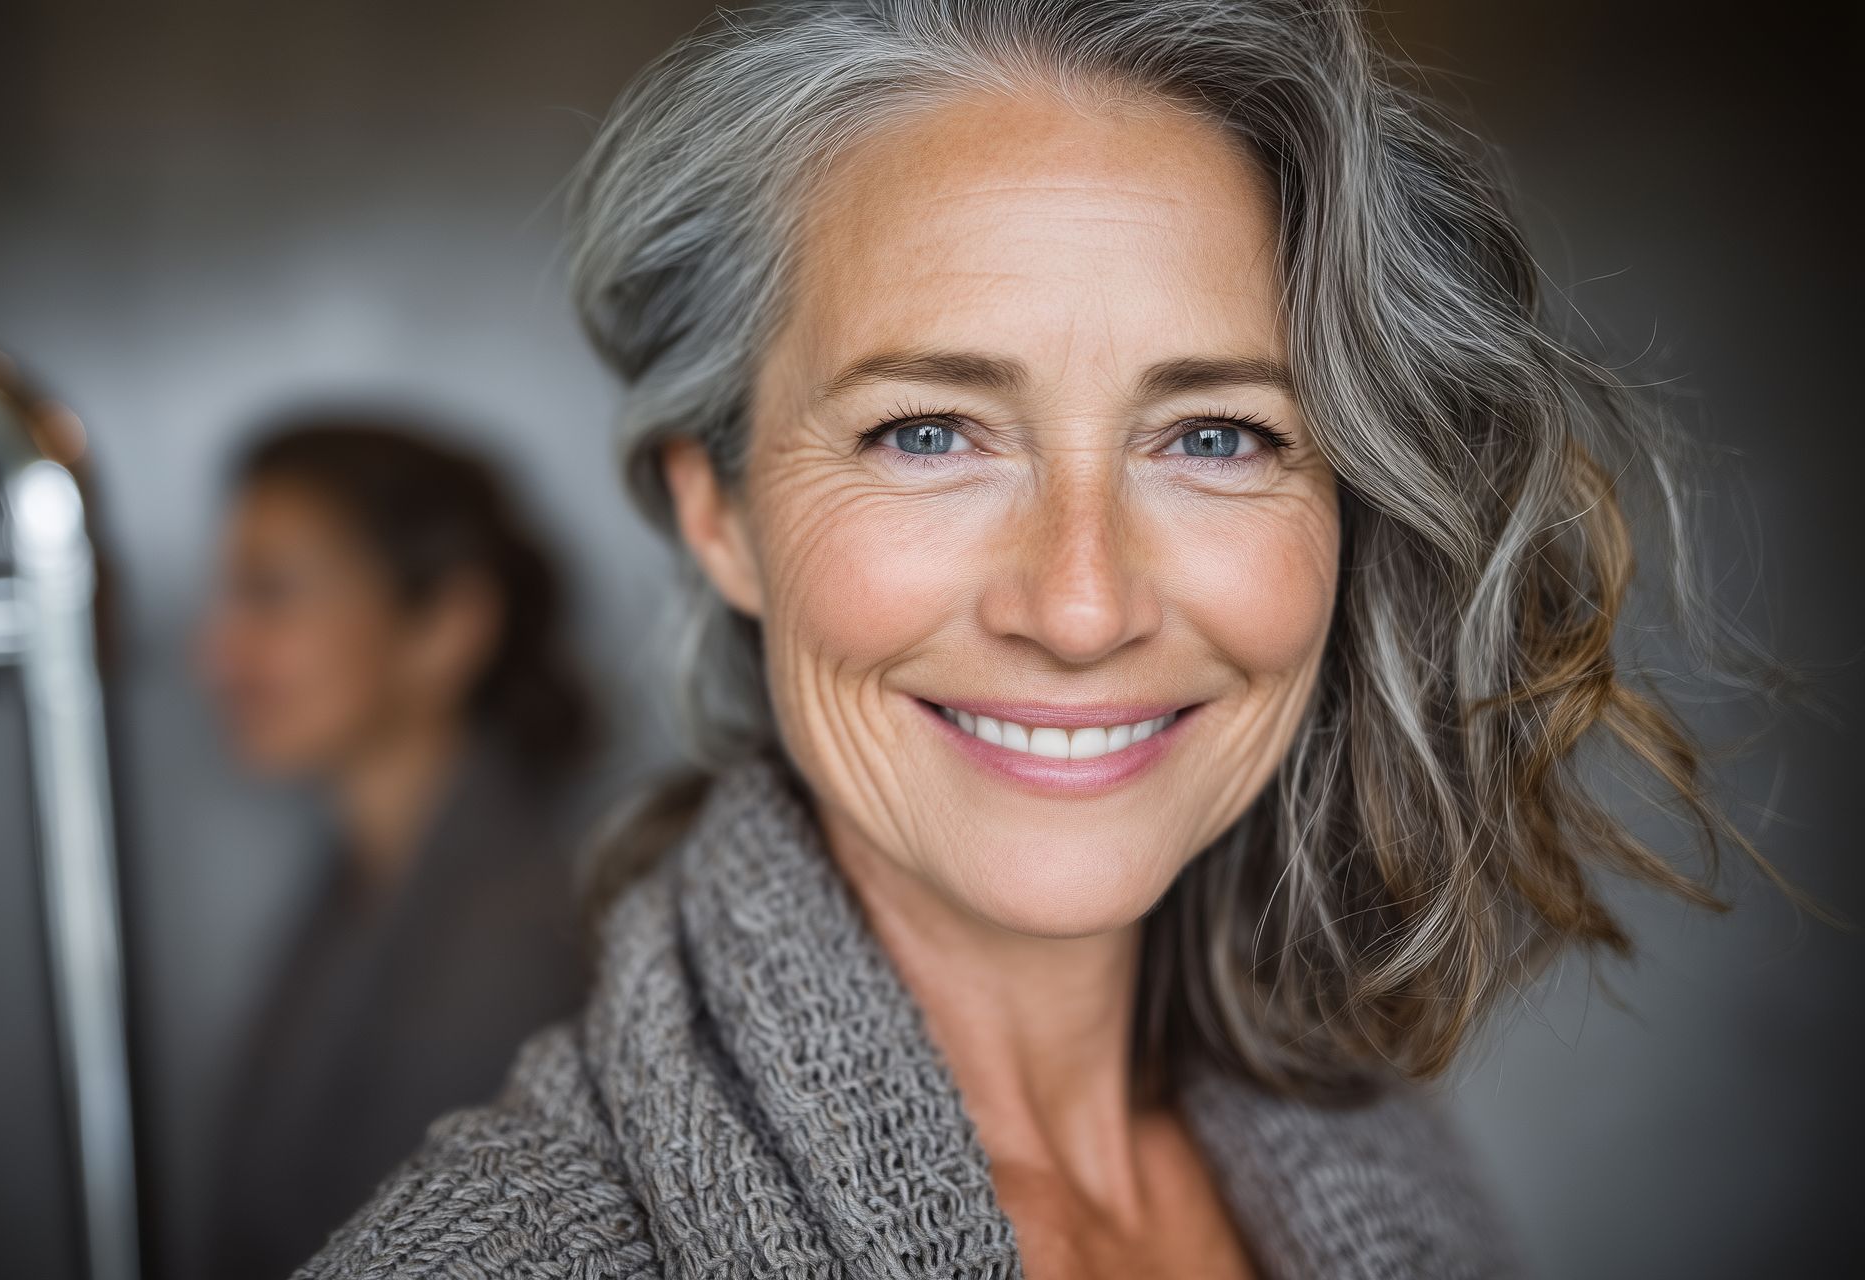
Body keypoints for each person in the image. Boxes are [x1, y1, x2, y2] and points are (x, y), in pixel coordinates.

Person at [296, 2, 1797, 1277]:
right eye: (930, 431)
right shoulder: (516, 1245)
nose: (1082, 606)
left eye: (1213, 434)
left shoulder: (1388, 1164)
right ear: (720, 514)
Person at [199, 416, 597, 1280]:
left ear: (448, 625)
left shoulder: (511, 940)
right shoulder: (360, 883)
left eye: (270, 594)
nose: (216, 654)